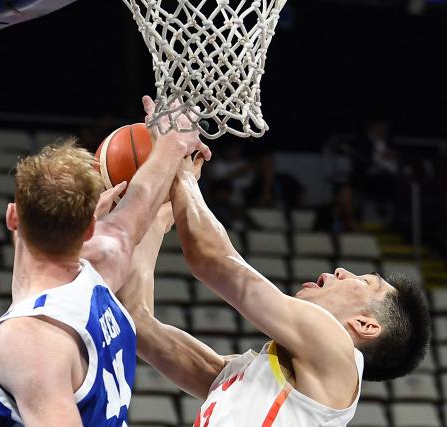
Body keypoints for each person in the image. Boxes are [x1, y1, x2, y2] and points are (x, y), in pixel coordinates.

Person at [118, 155, 432, 426]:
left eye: (363, 281)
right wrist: (156, 217)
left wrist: (178, 166)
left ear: (365, 325)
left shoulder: (339, 351)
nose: (341, 271)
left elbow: (211, 261)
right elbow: (136, 323)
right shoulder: (245, 374)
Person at [0, 96, 211, 427]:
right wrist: (173, 142)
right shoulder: (107, 265)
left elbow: (140, 209)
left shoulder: (28, 337)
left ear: (12, 216)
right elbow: (140, 204)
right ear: (91, 226)